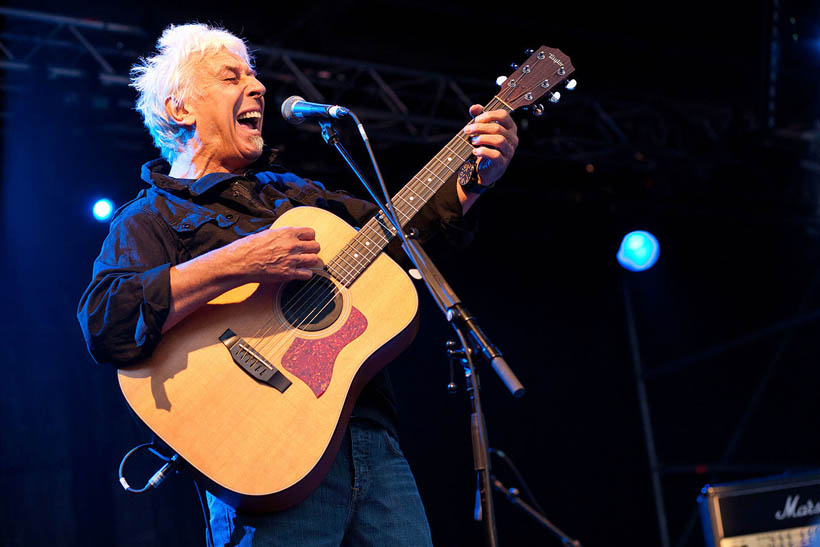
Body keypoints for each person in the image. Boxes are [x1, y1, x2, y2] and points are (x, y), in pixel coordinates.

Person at [77, 23, 518, 546]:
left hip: (373, 444)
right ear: (180, 109)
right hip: (265, 453)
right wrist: (234, 262)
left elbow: (401, 234)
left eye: (254, 75)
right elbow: (106, 321)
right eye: (230, 77)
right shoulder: (151, 217)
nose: (258, 87)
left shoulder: (296, 197)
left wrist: (473, 179)